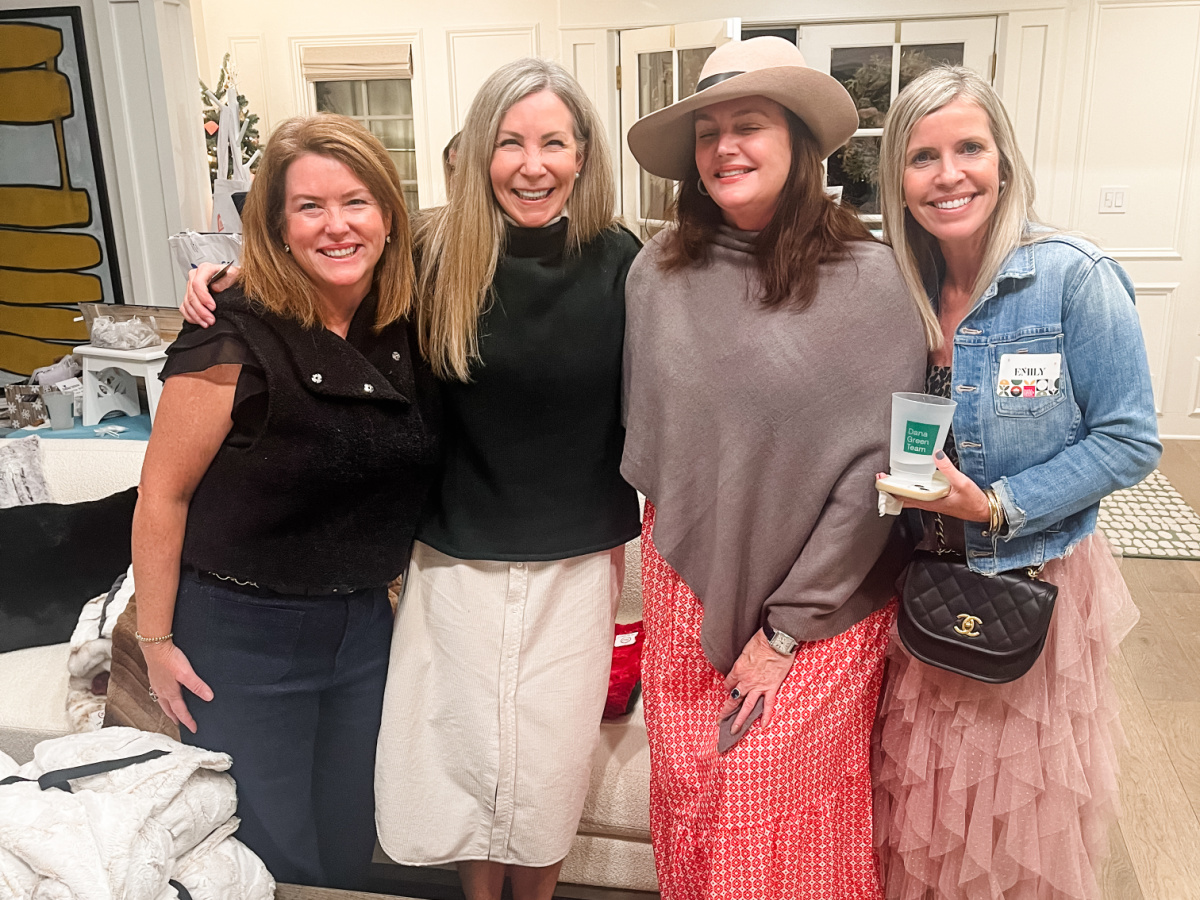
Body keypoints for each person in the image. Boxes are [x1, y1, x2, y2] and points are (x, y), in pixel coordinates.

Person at [179, 58, 639, 900]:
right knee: (464, 759)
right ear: (481, 151)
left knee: (546, 768)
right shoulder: (433, 249)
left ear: (583, 155)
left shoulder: (624, 261)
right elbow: (329, 269)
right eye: (510, 142)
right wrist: (230, 279)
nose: (531, 164)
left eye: (553, 143)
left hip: (578, 558)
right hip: (452, 552)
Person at [620, 37, 927, 898]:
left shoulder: (871, 284)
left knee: (773, 805)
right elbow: (657, 445)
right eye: (707, 131)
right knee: (691, 800)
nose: (725, 148)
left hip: (826, 600)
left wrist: (787, 627)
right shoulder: (655, 274)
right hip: (686, 580)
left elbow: (880, 481)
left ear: (798, 144)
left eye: (748, 125)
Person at [871, 65, 1160, 900]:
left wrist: (998, 505)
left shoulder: (1073, 276)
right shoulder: (899, 286)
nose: (948, 174)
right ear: (897, 177)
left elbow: (1130, 440)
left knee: (1012, 812)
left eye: (969, 147)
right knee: (929, 800)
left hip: (1033, 575)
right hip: (921, 574)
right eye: (923, 156)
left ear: (1004, 159)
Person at [134, 113, 441, 890]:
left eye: (356, 202)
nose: (336, 226)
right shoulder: (231, 330)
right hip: (240, 634)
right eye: (309, 206)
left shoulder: (408, 321)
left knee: (349, 838)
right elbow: (162, 496)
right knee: (263, 851)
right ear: (275, 226)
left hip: (365, 628)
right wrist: (155, 641)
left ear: (388, 215)